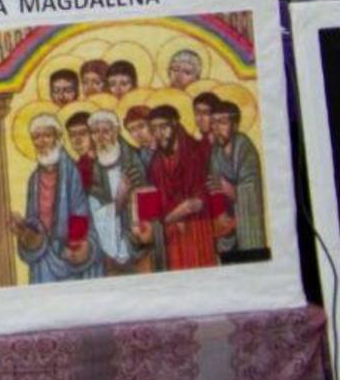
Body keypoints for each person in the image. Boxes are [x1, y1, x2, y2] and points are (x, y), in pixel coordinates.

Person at [12, 114, 101, 283]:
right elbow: (34, 220)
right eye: (36, 137)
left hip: (69, 255)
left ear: (58, 138)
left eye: (47, 135)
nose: (42, 142)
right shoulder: (34, 179)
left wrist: (76, 245)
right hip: (43, 260)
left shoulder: (72, 171)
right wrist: (25, 231)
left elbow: (80, 213)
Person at [145, 105, 218, 271]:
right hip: (172, 236)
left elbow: (196, 203)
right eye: (154, 129)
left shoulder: (195, 152)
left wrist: (167, 219)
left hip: (197, 229)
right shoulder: (156, 162)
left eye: (163, 127)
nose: (159, 134)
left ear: (175, 124)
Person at [87, 109, 151, 275]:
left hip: (140, 244)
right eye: (95, 132)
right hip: (108, 250)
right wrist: (118, 200)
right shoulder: (92, 169)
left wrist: (142, 231)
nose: (100, 137)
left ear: (116, 132)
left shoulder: (135, 159)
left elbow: (148, 196)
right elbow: (93, 210)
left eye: (105, 131)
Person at [206, 96, 266, 260]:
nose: (216, 128)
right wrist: (220, 214)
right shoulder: (216, 152)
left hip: (248, 224)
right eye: (213, 123)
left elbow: (252, 193)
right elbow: (214, 188)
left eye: (222, 122)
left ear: (235, 125)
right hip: (228, 228)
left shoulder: (245, 148)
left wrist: (229, 189)